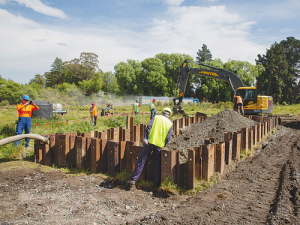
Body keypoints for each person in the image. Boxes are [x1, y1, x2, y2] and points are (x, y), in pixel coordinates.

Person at [127, 107, 173, 188]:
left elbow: (149, 127)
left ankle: (133, 179)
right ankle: (156, 183)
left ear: (162, 112)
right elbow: (168, 137)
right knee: (157, 164)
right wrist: (164, 144)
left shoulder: (156, 117)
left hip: (149, 142)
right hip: (159, 145)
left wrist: (146, 138)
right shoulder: (170, 123)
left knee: (141, 160)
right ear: (169, 114)